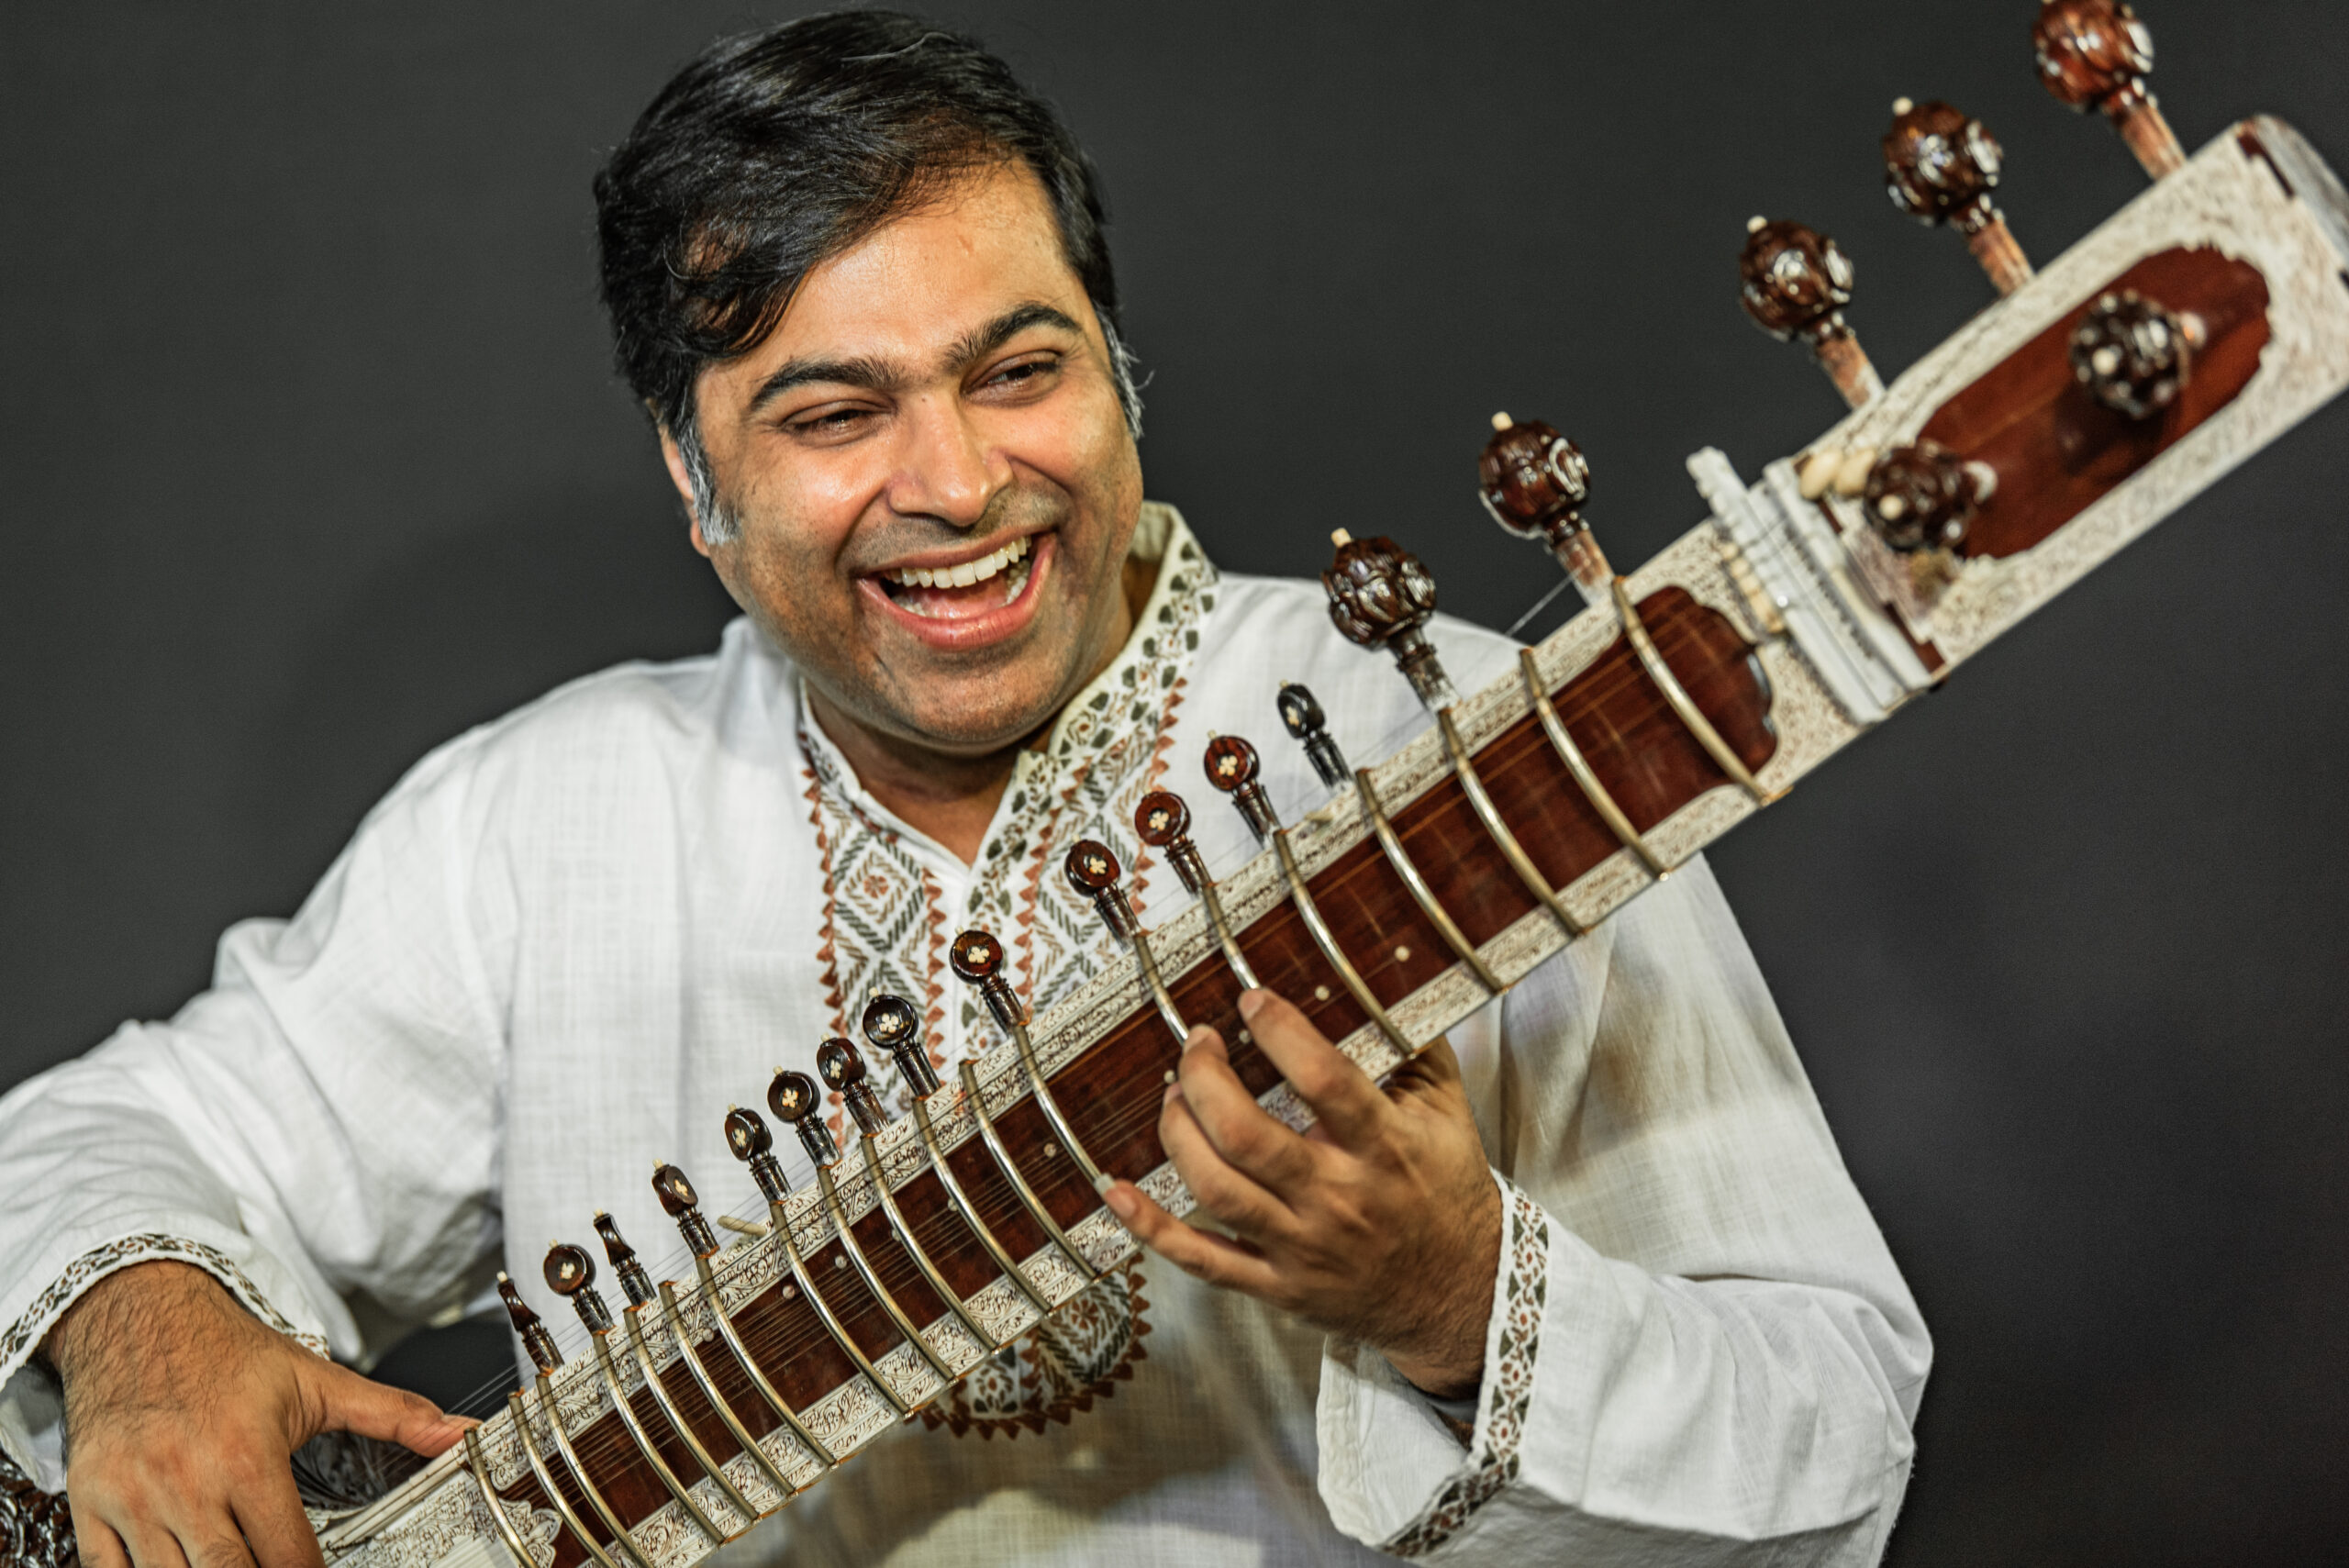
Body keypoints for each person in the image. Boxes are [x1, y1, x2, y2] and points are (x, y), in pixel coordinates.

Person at [0, 12, 1930, 1567]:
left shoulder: (1475, 747)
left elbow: (1834, 1442)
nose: (954, 483)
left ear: (1122, 373)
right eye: (833, 414)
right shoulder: (547, 820)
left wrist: (1451, 1293)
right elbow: (98, 1139)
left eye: (1018, 370)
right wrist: (141, 1326)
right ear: (694, 485)